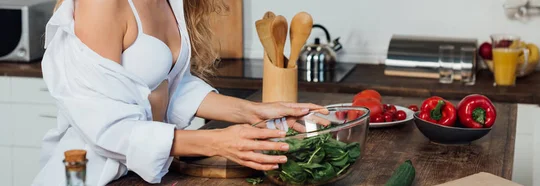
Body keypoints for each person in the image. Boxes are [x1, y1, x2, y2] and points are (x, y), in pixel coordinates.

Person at [33, 0, 326, 185]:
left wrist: (253, 112)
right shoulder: (101, 3)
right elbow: (106, 127)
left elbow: (166, 86)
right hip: (90, 175)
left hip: (138, 174)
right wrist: (216, 142)